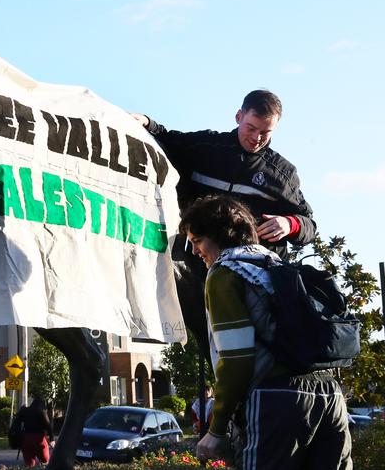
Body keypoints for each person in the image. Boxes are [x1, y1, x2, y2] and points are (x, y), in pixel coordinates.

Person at [133, 89, 316, 351]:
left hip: (256, 280)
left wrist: (289, 224)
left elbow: (308, 224)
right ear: (238, 116)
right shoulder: (207, 147)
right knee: (216, 344)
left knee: (255, 347)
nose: (256, 138)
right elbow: (168, 138)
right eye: (250, 128)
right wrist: (146, 123)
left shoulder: (281, 174)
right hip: (203, 269)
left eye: (266, 133)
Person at [184, 195, 351, 470]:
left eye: (197, 240)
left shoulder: (225, 273)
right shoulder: (278, 266)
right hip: (329, 394)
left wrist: (217, 430)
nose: (194, 250)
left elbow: (236, 361)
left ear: (217, 234)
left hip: (274, 399)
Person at [12, 395, 53, 466]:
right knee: (45, 460)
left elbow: (16, 424)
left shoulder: (24, 411)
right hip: (39, 439)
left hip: (26, 438)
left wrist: (19, 436)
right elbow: (48, 426)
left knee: (29, 464)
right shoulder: (42, 412)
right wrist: (52, 439)